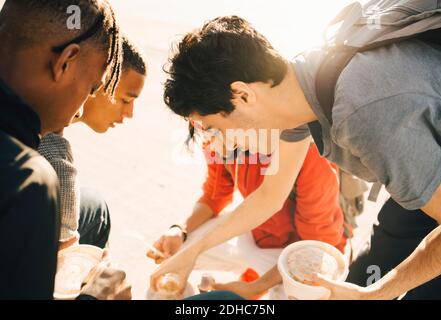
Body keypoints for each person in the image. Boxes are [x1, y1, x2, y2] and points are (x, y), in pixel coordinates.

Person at [152, 10, 441, 300]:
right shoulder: (302, 92)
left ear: (242, 95)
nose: (220, 139)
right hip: (427, 164)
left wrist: (374, 295)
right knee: (364, 275)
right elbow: (269, 196)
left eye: (216, 126)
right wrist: (188, 254)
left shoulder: (360, 113)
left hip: (424, 156)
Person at [0, 0, 129, 300]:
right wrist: (95, 297)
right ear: (66, 62)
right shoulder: (27, 182)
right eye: (92, 88)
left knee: (92, 205)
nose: (80, 111)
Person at [149, 123, 350, 298]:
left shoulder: (303, 148)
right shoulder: (215, 133)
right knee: (174, 257)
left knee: (302, 293)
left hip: (307, 250)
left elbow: (315, 244)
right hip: (258, 233)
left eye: (211, 125)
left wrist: (256, 286)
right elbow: (216, 192)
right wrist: (180, 230)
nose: (208, 138)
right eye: (200, 125)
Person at [38, 36, 148, 251]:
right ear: (98, 80)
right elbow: (60, 263)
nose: (130, 113)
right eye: (126, 99)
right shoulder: (54, 157)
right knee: (97, 209)